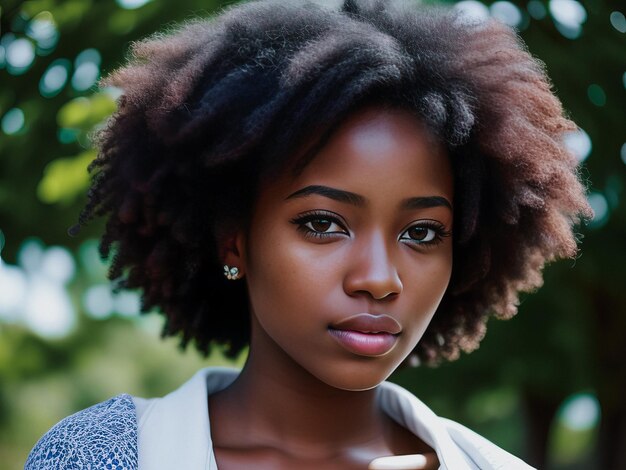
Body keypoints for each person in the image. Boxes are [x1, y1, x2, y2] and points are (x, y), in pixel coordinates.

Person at [25, 0, 592, 468]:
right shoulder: (102, 455)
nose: (379, 278)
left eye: (422, 232)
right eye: (323, 224)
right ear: (234, 240)